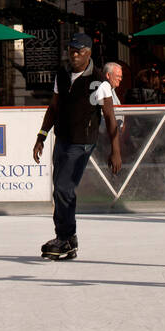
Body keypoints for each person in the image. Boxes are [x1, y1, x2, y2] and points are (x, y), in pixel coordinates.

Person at [32, 33, 122, 260]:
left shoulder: (99, 82)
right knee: (62, 190)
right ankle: (69, 239)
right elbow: (53, 108)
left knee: (63, 188)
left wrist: (116, 150)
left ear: (89, 53)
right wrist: (41, 136)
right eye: (71, 50)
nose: (74, 54)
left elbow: (110, 118)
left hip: (82, 142)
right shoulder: (62, 75)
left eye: (79, 51)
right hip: (62, 138)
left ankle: (63, 237)